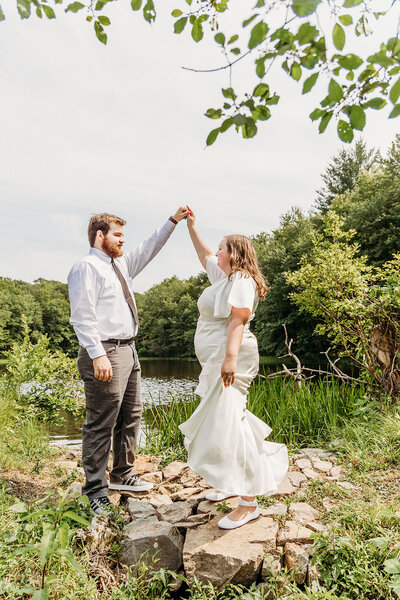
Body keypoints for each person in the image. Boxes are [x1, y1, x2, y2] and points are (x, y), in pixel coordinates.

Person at [68, 208, 189, 515]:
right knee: (101, 422)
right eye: (117, 235)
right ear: (100, 235)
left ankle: (122, 473)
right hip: (105, 351)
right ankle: (94, 490)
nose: (123, 241)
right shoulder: (86, 267)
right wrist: (97, 355)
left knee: (132, 414)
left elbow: (149, 247)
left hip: (129, 349)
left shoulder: (119, 264)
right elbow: (83, 317)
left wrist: (172, 221)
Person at [179, 208, 288, 530]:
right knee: (222, 419)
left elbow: (237, 318)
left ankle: (248, 502)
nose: (217, 252)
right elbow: (204, 256)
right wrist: (191, 226)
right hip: (217, 358)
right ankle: (228, 479)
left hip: (232, 358)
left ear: (235, 254)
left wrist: (229, 358)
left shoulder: (241, 280)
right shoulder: (224, 278)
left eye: (222, 247)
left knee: (231, 422)